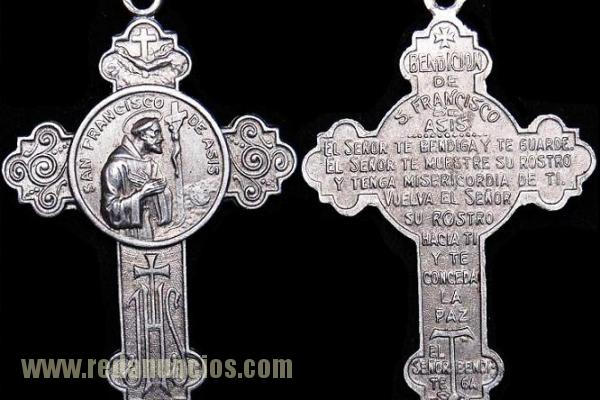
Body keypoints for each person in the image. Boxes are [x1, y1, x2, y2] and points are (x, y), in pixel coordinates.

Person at [101, 113, 172, 240]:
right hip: (125, 234)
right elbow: (110, 211)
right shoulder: (117, 165)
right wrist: (141, 194)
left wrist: (159, 191)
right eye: (156, 133)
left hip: (149, 229)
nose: (161, 138)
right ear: (142, 135)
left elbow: (163, 196)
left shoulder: (150, 163)